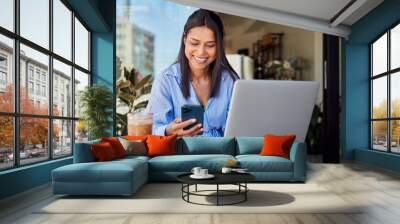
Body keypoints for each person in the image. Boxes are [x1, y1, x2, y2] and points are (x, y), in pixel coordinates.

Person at [146, 9, 239, 137]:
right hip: (182, 154)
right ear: (184, 40)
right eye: (194, 43)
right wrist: (168, 131)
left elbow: (239, 128)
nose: (201, 52)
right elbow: (150, 129)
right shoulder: (166, 80)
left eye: (210, 45)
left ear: (219, 45)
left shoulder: (230, 80)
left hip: (223, 154)